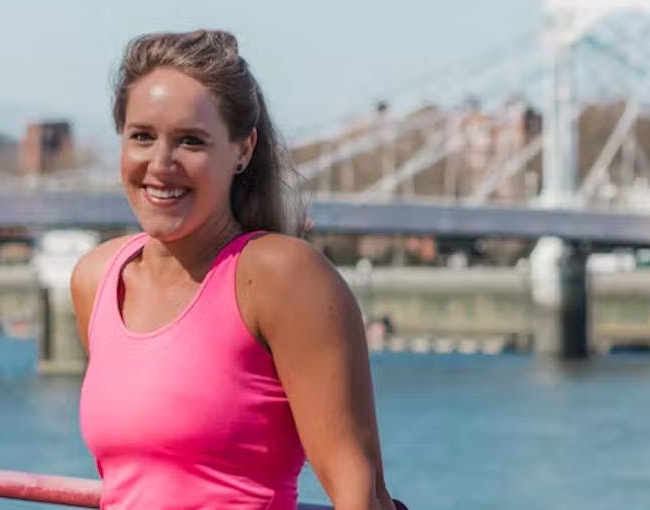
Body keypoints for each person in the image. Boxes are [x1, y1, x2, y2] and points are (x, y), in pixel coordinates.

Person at [73, 29, 404, 510]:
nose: (160, 164)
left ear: (243, 150)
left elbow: (361, 493)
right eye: (141, 136)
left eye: (191, 141)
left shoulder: (282, 277)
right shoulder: (96, 278)